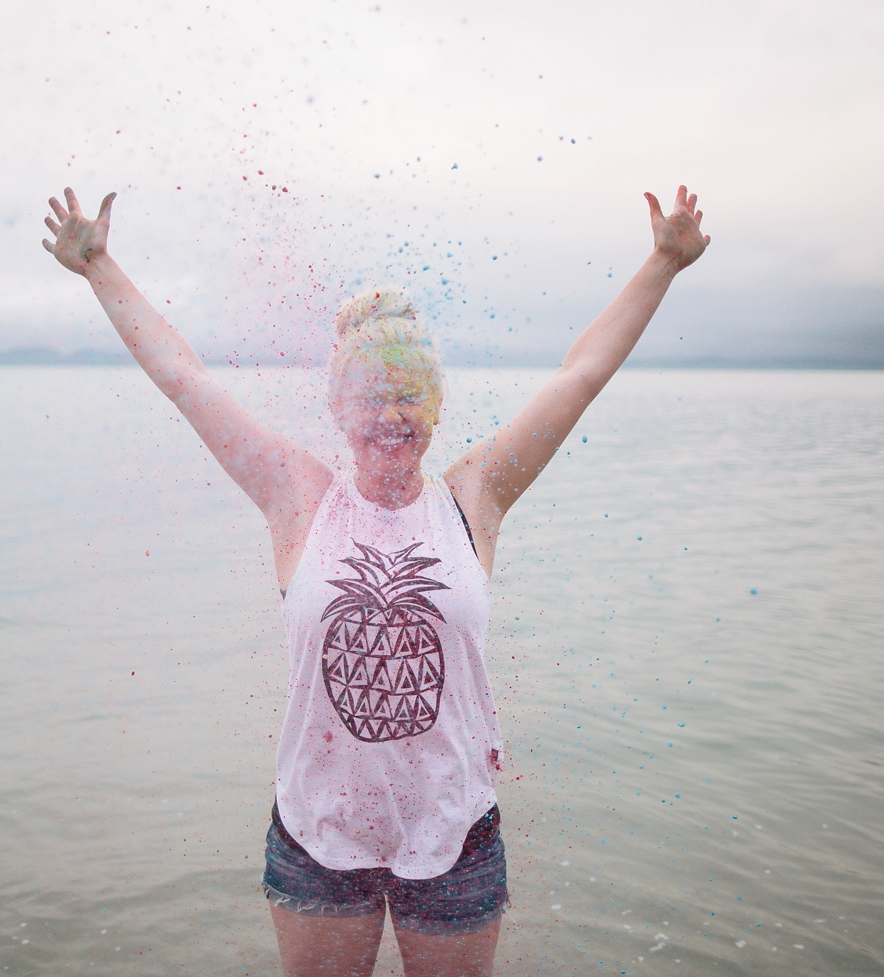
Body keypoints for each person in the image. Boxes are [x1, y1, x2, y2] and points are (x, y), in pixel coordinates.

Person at [41, 185, 710, 977]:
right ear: (337, 405)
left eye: (409, 395)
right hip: (319, 836)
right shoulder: (298, 497)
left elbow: (579, 377)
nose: (391, 415)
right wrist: (99, 268)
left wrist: (663, 263)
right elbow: (185, 378)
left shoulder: (474, 497)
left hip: (455, 832)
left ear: (433, 406)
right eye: (372, 395)